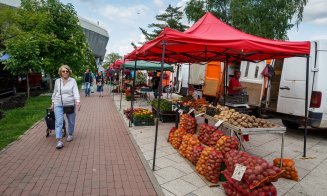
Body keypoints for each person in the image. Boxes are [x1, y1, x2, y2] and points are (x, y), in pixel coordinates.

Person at [51, 65, 81, 149]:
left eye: (67, 71)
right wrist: (53, 102)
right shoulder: (57, 81)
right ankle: (59, 140)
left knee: (71, 121)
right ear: (60, 72)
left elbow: (75, 91)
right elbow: (55, 92)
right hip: (58, 103)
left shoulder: (73, 81)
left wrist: (78, 102)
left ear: (69, 72)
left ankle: (70, 134)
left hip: (69, 104)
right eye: (63, 71)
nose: (65, 73)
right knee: (59, 121)